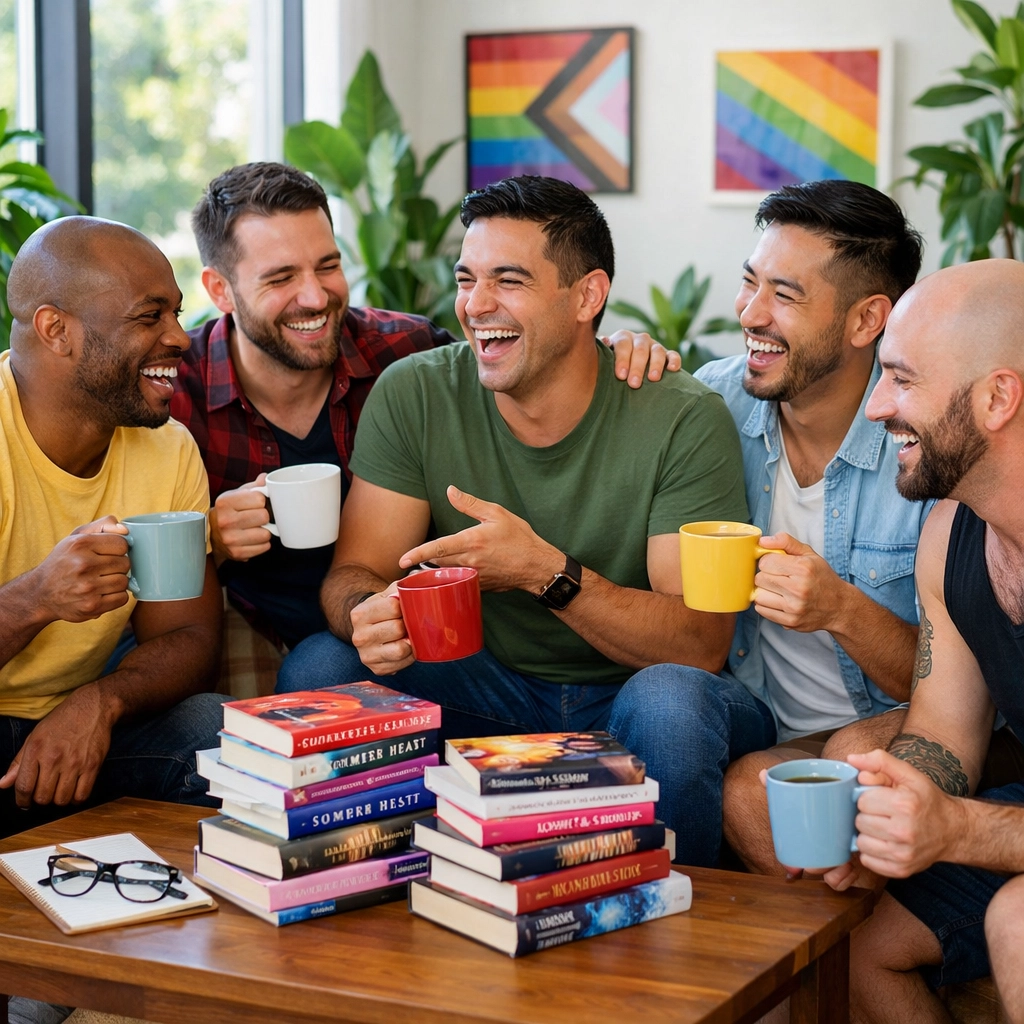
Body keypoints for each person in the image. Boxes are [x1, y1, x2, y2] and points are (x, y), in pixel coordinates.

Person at [276, 175, 751, 850]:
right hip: (484, 686)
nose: (476, 305)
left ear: (587, 296)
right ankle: (372, 895)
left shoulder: (680, 416)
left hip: (630, 700)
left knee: (672, 702)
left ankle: (678, 917)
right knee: (321, 668)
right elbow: (355, 571)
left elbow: (698, 644)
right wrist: (367, 614)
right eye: (466, 279)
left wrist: (542, 573)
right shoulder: (416, 393)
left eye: (509, 280)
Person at [175, 162, 679, 651]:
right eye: (280, 278)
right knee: (316, 664)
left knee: (323, 661)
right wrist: (207, 540)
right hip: (256, 621)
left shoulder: (404, 349)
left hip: (400, 624)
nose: (314, 296)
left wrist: (598, 346)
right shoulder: (176, 392)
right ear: (220, 289)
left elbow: (524, 352)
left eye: (328, 266)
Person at [628, 180, 929, 868]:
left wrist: (842, 610)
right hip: (754, 711)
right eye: (749, 282)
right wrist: (617, 357)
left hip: (891, 723)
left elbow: (962, 690)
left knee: (811, 773)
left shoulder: (923, 446)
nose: (750, 312)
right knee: (678, 708)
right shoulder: (709, 403)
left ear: (866, 320)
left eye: (785, 295)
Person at [815, 259, 1024, 1024]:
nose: (876, 407)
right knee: (850, 941)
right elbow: (944, 735)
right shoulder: (949, 535)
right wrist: (882, 810)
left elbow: (962, 819)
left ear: (997, 397)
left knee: (1017, 922)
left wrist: (956, 828)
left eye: (901, 379)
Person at [0, 217, 225, 837]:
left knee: (216, 731)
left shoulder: (168, 449)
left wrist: (102, 701)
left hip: (83, 736)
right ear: (56, 330)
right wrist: (36, 599)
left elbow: (189, 636)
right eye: (149, 316)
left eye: (176, 313)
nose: (179, 338)